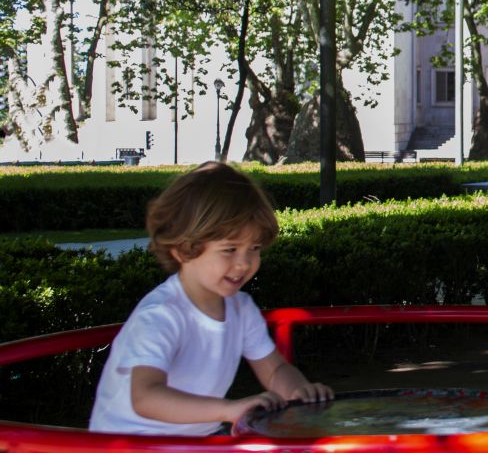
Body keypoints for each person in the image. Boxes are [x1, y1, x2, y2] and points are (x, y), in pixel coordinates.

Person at [90, 162, 332, 435]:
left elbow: (274, 369)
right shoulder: (161, 315)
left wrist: (298, 393)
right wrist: (227, 410)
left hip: (193, 442)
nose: (244, 263)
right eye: (229, 249)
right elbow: (145, 396)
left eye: (254, 248)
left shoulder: (241, 309)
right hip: (133, 446)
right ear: (183, 249)